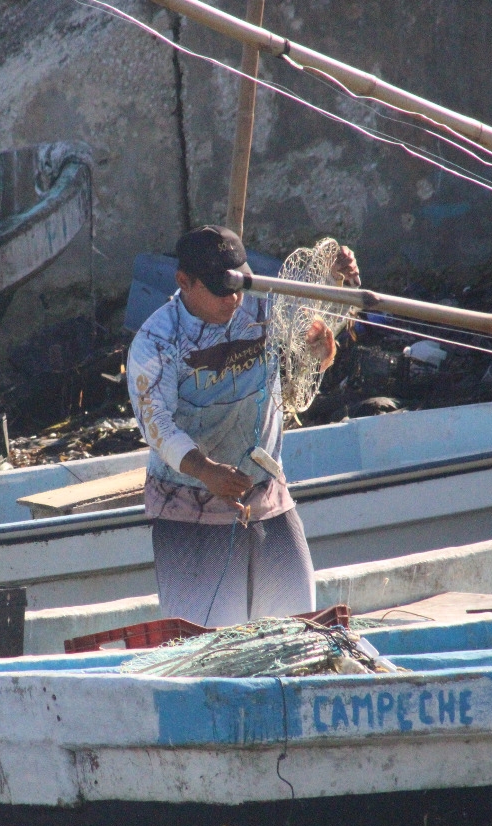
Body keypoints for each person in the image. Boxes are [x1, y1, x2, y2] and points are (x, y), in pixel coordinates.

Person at [127, 225, 358, 627]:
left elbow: (310, 330)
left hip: (266, 495)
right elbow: (156, 423)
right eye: (220, 289)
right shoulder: (156, 341)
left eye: (238, 285)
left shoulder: (261, 306)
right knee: (206, 639)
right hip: (188, 507)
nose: (233, 298)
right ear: (185, 281)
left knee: (301, 624)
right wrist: (204, 470)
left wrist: (336, 283)